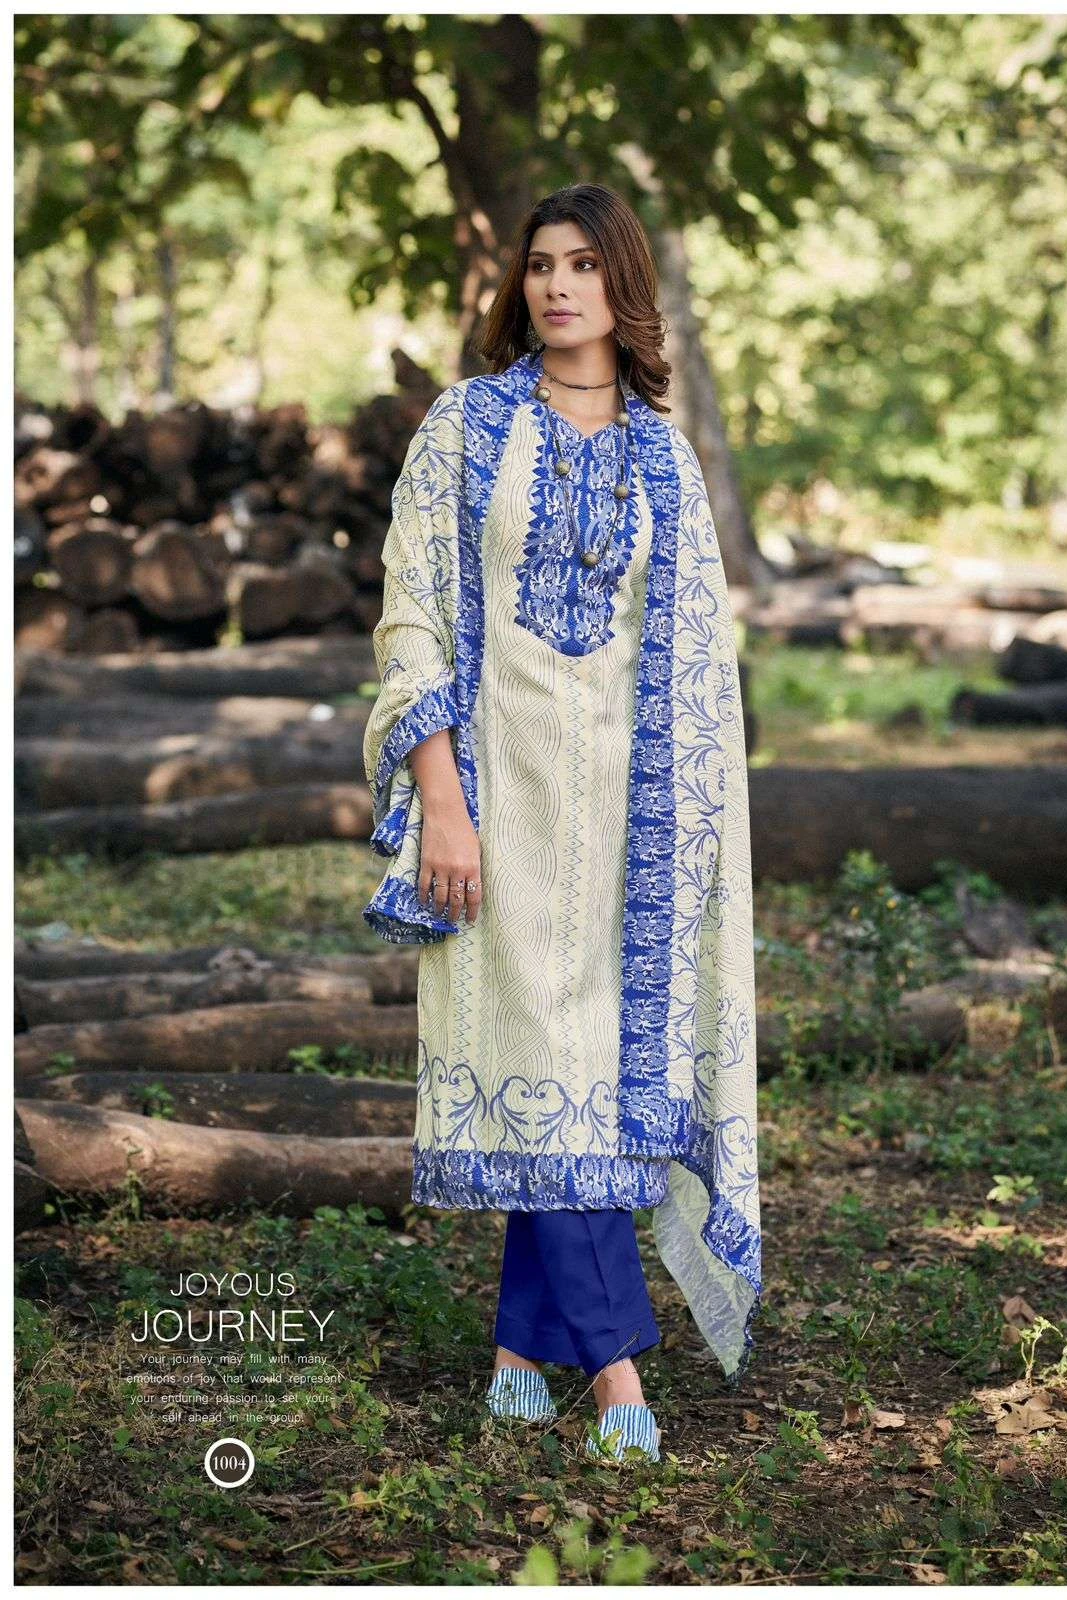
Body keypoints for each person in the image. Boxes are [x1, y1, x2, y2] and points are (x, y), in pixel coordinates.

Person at [362, 183, 761, 1464]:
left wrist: (689, 843)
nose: (556, 285)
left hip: (628, 830)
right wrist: (441, 801)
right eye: (540, 264)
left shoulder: (662, 457)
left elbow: (692, 658)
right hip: (499, 806)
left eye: (584, 264)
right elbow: (411, 617)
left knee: (586, 1074)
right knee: (542, 1050)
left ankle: (516, 1347)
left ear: (622, 283)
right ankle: (618, 1370)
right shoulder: (465, 426)